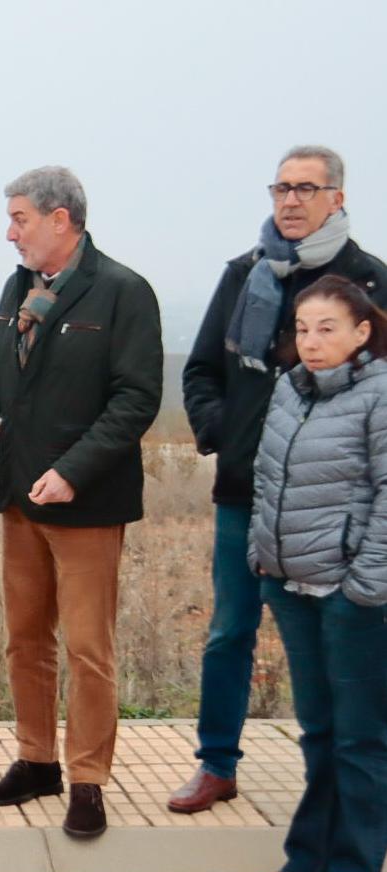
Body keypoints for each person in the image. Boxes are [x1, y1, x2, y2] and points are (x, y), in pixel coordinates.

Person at [172, 146, 387, 815]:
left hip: (333, 507)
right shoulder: (244, 275)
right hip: (247, 494)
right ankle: (215, 763)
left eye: (305, 188)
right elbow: (200, 370)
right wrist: (227, 436)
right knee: (229, 630)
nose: (290, 200)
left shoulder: (369, 283)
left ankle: (341, 784)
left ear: (337, 198)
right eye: (280, 188)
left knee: (337, 648)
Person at [0, 167, 162, 839]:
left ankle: (88, 779)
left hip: (86, 503)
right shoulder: (20, 287)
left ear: (60, 220)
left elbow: (135, 399)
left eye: (18, 218)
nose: (8, 231)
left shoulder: (123, 292)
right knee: (24, 640)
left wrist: (72, 471)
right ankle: (36, 758)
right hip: (19, 497)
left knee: (87, 648)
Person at [243, 276, 387, 872]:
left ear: (362, 332)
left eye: (328, 328)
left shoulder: (379, 394)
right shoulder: (289, 390)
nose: (312, 341)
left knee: (359, 740)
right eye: (303, 329)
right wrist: (262, 558)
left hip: (351, 594)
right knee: (320, 733)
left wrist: (366, 585)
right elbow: (268, 479)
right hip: (291, 583)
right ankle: (307, 864)